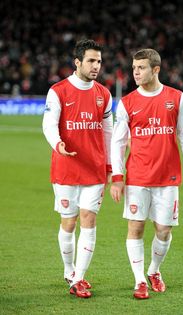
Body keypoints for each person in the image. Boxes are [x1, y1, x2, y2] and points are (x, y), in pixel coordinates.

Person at [110, 48, 183, 299]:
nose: (135, 72)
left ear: (155, 69)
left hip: (168, 177)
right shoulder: (127, 102)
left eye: (141, 68)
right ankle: (139, 281)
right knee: (135, 228)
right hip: (137, 177)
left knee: (163, 230)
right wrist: (117, 177)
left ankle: (154, 270)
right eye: (134, 68)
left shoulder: (176, 97)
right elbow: (117, 142)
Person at [42, 39, 113, 298]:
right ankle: (69, 269)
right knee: (68, 222)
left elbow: (108, 132)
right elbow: (49, 123)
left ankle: (79, 279)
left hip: (94, 169)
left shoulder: (104, 94)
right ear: (77, 62)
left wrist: (110, 166)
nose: (96, 66)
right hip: (66, 168)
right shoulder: (58, 91)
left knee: (89, 220)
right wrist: (57, 143)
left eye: (99, 61)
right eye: (91, 61)